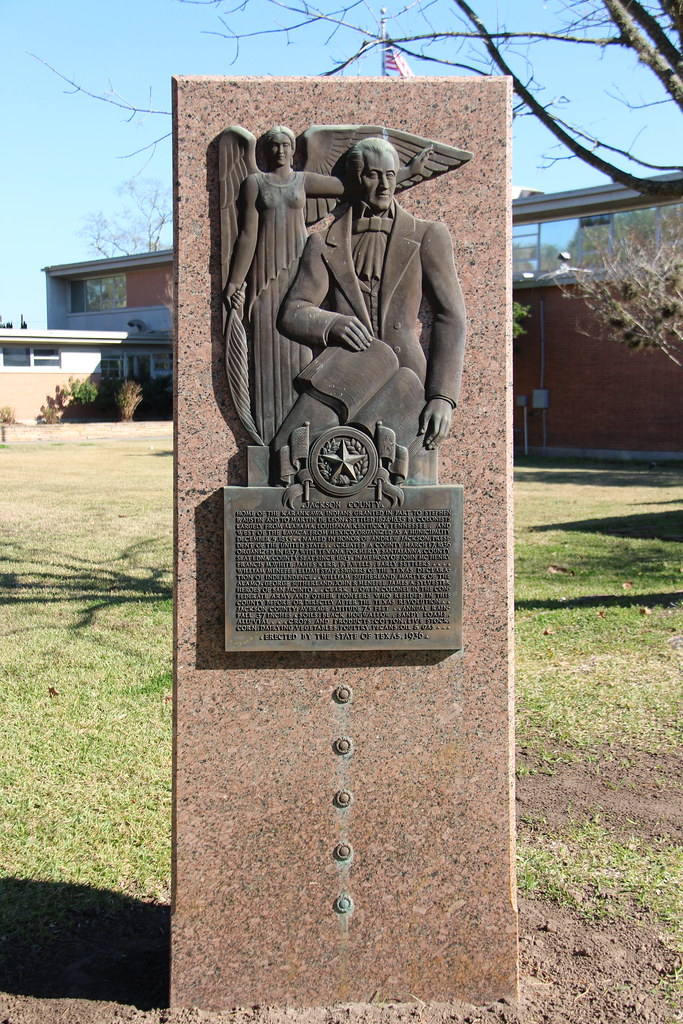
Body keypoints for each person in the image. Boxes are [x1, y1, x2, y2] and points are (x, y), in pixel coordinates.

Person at [274, 137, 466, 457]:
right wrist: (333, 323)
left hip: (405, 379)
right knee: (290, 453)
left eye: (390, 175)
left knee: (380, 470)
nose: (383, 185)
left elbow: (451, 316)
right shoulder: (322, 242)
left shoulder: (427, 235)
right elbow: (293, 311)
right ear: (356, 179)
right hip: (343, 373)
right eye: (372, 175)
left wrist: (442, 397)